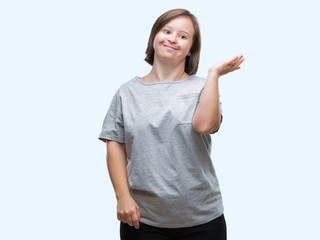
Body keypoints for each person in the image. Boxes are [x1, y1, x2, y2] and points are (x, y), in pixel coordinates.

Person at [98, 8, 244, 240]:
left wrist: (214, 74)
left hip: (203, 218)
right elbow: (114, 144)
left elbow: (205, 126)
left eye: (183, 36)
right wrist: (122, 196)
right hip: (143, 219)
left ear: (190, 50)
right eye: (167, 30)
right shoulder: (127, 92)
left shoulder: (202, 88)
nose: (173, 38)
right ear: (154, 37)